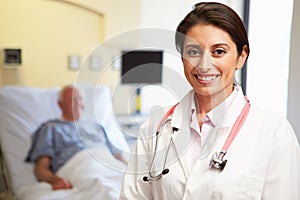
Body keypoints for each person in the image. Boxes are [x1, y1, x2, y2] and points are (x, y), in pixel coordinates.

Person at [120, 2, 300, 200]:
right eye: (193, 52)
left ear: (241, 57)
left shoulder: (273, 133)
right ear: (182, 58)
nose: (204, 65)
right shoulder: (155, 126)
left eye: (219, 51)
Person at [26, 85, 127, 190]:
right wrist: (56, 180)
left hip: (108, 163)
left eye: (80, 99)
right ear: (60, 105)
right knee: (105, 187)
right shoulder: (50, 128)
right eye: (72, 100)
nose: (78, 103)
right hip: (80, 166)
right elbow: (41, 168)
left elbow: (117, 157)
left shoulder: (96, 125)